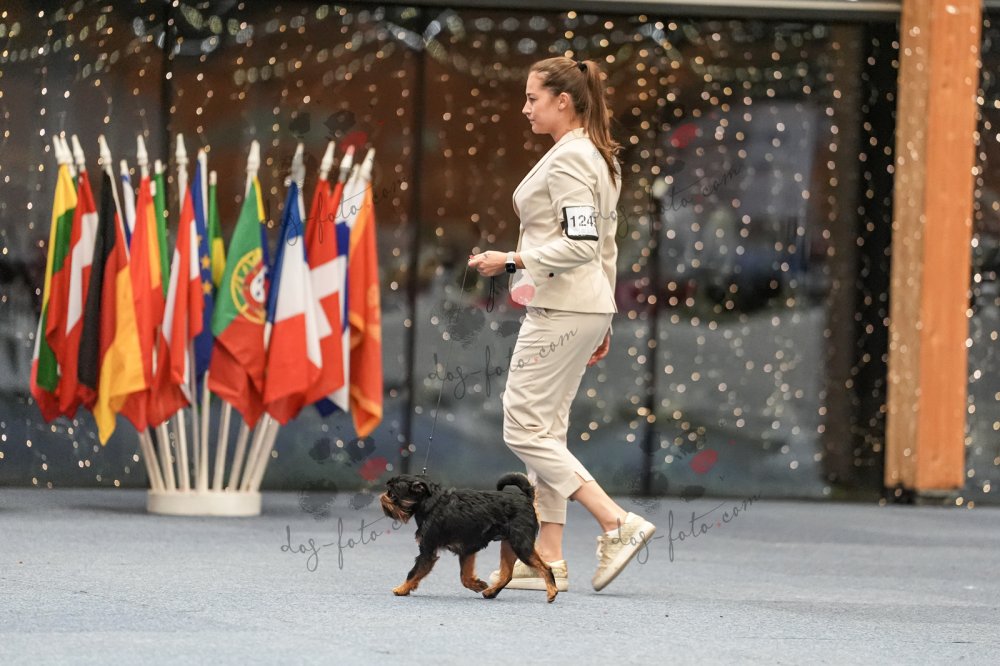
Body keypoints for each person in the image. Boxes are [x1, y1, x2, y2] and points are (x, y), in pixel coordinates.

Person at [468, 56, 656, 592]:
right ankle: (545, 556)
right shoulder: (597, 155)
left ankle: (616, 522)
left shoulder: (573, 158)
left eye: (532, 98)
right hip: (583, 305)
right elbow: (606, 246)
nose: (525, 108)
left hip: (565, 306)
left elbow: (583, 244)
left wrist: (511, 259)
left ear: (563, 101)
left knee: (522, 426)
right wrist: (605, 317)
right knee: (545, 429)